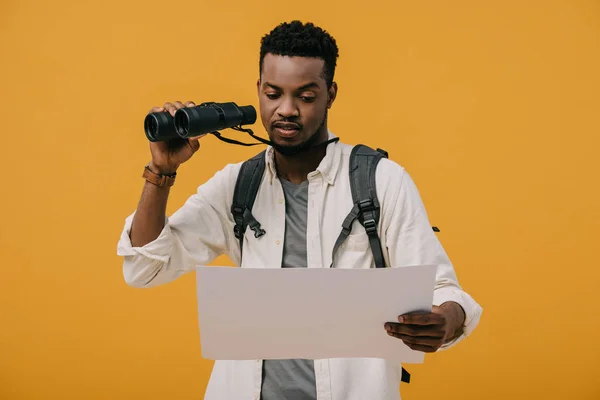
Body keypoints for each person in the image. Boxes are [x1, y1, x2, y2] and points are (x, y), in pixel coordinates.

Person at [117, 20, 482, 400]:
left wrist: (447, 318)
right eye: (273, 94)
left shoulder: (382, 181)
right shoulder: (236, 184)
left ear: (330, 94)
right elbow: (145, 268)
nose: (286, 110)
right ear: (259, 90)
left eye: (305, 96)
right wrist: (160, 171)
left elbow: (443, 290)